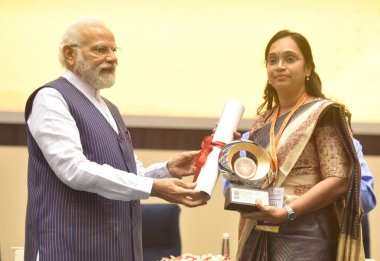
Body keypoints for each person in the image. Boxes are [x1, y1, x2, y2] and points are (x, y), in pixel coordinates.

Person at [24, 18, 207, 261]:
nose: (112, 57)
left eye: (114, 50)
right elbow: (73, 170)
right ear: (70, 54)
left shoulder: (109, 108)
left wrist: (166, 170)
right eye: (100, 49)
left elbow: (129, 174)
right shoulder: (51, 99)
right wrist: (152, 188)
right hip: (66, 251)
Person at [232, 30, 364, 260]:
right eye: (273, 60)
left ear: (308, 68)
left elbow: (338, 181)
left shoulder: (323, 113)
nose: (279, 66)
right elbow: (256, 179)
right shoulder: (263, 122)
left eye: (289, 59)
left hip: (307, 235)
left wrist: (287, 212)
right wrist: (232, 153)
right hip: (262, 231)